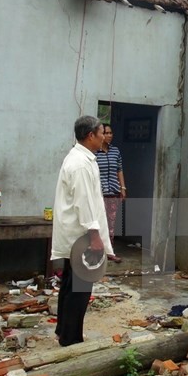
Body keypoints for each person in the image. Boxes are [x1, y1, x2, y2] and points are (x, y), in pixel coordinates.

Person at [51, 115, 115, 346]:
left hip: (78, 235)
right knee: (80, 289)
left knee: (70, 284)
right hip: (82, 237)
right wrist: (95, 238)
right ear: (90, 136)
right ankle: (71, 338)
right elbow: (84, 203)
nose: (104, 138)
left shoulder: (84, 158)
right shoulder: (79, 164)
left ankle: (62, 330)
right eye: (101, 134)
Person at [95, 123, 126, 263]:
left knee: (111, 225)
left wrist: (123, 188)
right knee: (97, 224)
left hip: (113, 192)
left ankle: (110, 252)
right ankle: (96, 253)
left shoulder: (116, 151)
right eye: (106, 133)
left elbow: (119, 170)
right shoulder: (94, 152)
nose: (109, 135)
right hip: (98, 194)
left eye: (110, 133)